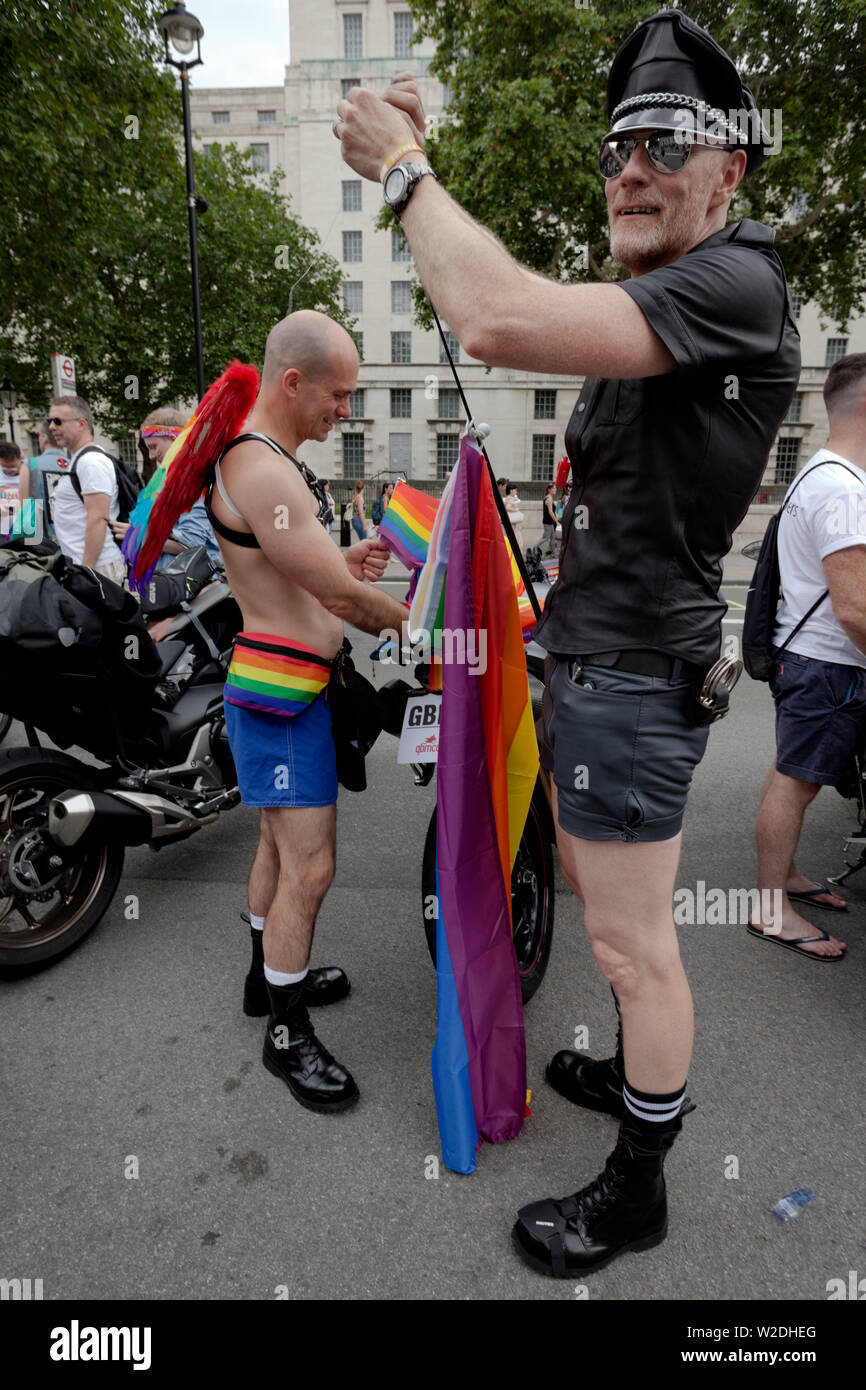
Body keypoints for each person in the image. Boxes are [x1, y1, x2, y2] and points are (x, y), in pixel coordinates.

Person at [335, 8, 800, 1275]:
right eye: (613, 150)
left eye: (660, 142)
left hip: (634, 681)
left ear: (728, 170)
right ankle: (633, 1083)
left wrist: (407, 172)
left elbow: (490, 317)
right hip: (597, 661)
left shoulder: (736, 277)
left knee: (633, 947)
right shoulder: (657, 299)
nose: (628, 169)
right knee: (605, 906)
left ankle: (639, 1186)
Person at [202, 310, 409, 1113]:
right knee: (311, 868)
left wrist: (342, 561)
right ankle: (286, 1033)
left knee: (276, 850)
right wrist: (435, 634)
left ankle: (267, 980)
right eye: (339, 395)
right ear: (293, 383)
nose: (344, 411)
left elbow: (301, 572)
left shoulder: (264, 461)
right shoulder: (262, 468)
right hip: (285, 697)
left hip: (285, 687)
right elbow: (335, 597)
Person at [750, 354, 866, 961]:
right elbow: (854, 610)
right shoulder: (846, 490)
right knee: (795, 784)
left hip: (805, 657)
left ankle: (784, 878)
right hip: (829, 662)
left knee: (794, 777)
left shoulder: (816, 472)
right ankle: (772, 910)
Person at [109, 407, 220, 569]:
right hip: (171, 585)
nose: (151, 456)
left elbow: (190, 543)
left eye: (153, 447)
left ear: (174, 439)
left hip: (191, 588)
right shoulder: (168, 481)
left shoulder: (192, 482)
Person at [48, 395, 126, 582]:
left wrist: (86, 572)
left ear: (81, 424)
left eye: (58, 421)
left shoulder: (91, 462)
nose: (51, 427)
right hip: (86, 565)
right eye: (49, 421)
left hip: (96, 567)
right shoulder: (80, 460)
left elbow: (98, 519)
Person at [503, 482, 525, 553]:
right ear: (511, 490)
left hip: (510, 524)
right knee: (517, 542)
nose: (516, 492)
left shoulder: (507, 498)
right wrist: (516, 510)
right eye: (515, 490)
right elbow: (508, 508)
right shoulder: (510, 499)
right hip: (513, 525)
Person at [542, 482, 558, 555]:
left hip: (550, 521)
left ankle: (553, 553)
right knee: (546, 538)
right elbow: (550, 512)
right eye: (554, 488)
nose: (555, 490)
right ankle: (535, 548)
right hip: (548, 522)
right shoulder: (548, 498)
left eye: (555, 488)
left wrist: (556, 519)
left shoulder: (549, 497)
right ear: (549, 490)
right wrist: (556, 521)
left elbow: (553, 512)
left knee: (552, 537)